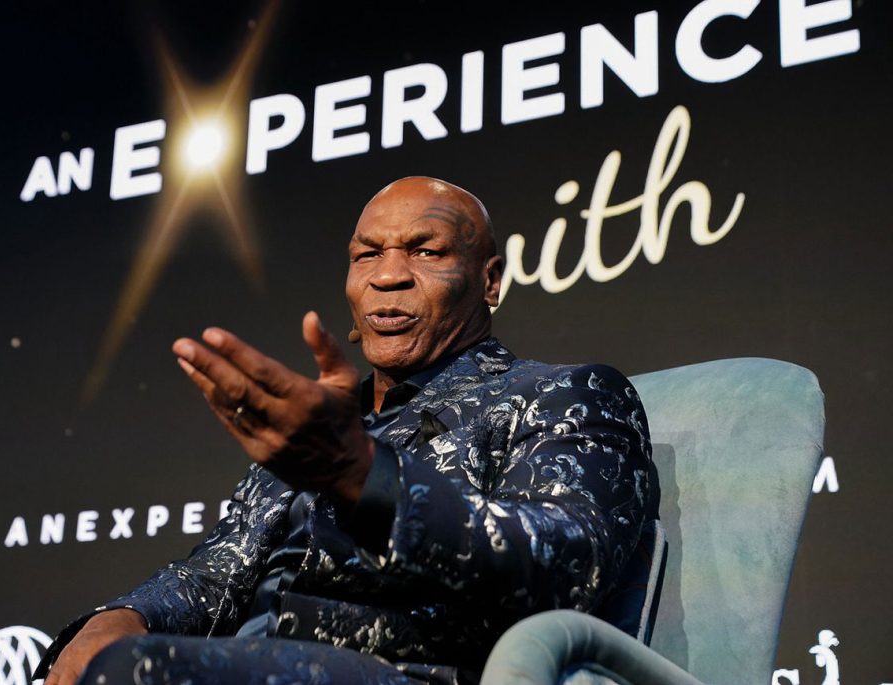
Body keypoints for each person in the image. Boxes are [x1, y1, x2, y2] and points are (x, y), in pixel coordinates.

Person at [37, 177, 658, 685]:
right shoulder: (319, 422)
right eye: (367, 255)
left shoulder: (562, 394)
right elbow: (221, 570)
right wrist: (125, 616)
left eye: (426, 252)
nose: (388, 276)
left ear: (489, 280)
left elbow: (565, 565)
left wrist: (364, 474)